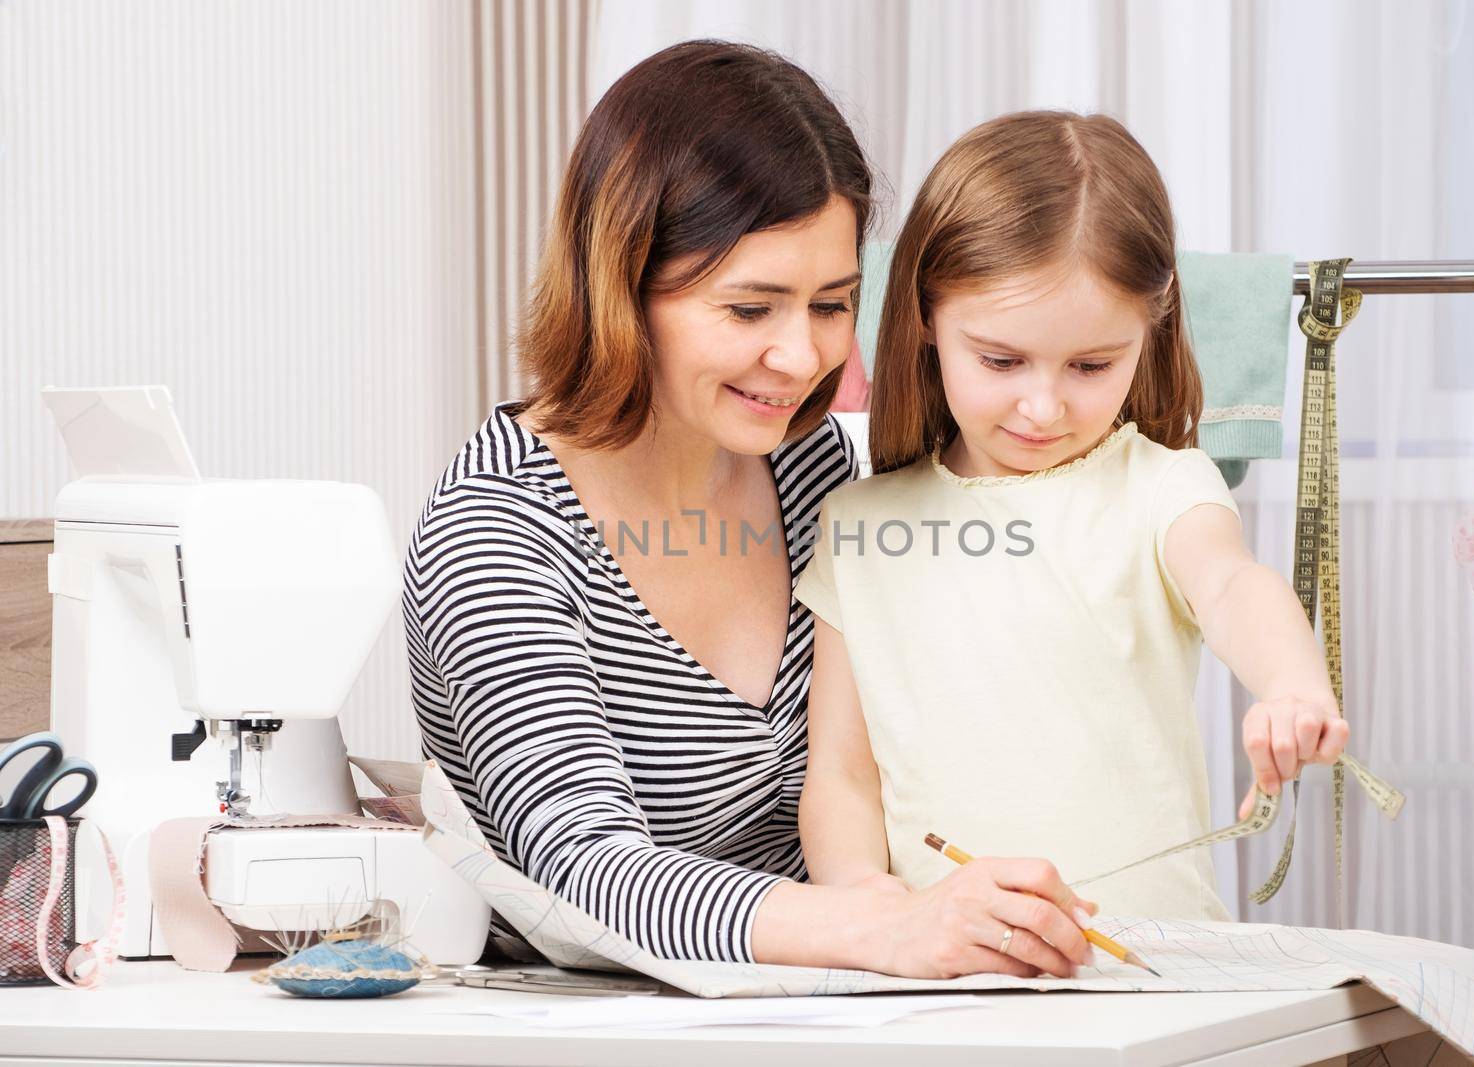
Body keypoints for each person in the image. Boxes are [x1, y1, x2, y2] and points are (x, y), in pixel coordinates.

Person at [404, 44, 1095, 979]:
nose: (801, 357)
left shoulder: (813, 469)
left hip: (848, 1010)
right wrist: (884, 930)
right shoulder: (494, 528)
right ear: (622, 284)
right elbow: (586, 868)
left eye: (831, 304)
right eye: (749, 309)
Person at [796, 111, 1350, 930]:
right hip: (950, 979)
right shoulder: (858, 524)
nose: (1044, 405)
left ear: (1149, 331)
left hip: (1159, 965)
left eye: (1092, 365)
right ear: (924, 319)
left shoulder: (1162, 488)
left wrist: (1292, 684)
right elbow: (842, 773)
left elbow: (1233, 585)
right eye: (1001, 359)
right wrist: (860, 898)